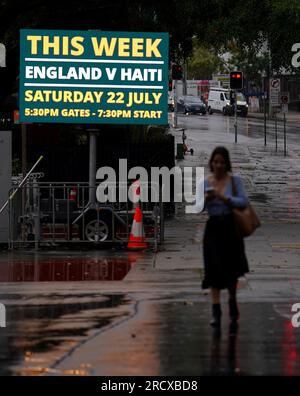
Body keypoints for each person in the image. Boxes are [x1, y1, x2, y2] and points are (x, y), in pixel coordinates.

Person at [201, 146, 249, 328]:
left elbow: (244, 202)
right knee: (212, 269)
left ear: (226, 163)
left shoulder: (235, 181)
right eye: (215, 162)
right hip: (213, 228)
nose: (218, 165)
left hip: (230, 227)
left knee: (231, 270)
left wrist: (223, 198)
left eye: (222, 162)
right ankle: (215, 310)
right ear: (211, 163)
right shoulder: (206, 182)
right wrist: (206, 200)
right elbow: (197, 207)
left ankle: (231, 300)